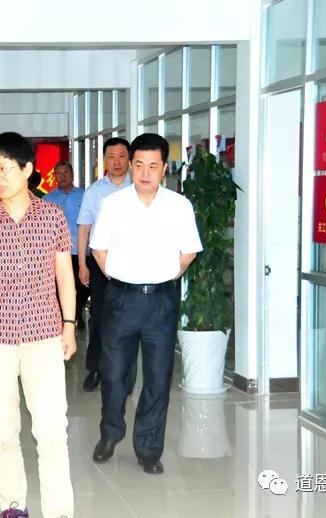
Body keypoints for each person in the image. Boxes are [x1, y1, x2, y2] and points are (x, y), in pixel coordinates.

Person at [0, 132, 76, 518]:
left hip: (44, 334)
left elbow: (64, 275)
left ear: (27, 170)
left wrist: (70, 325)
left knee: (52, 429)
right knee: (4, 428)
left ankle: (59, 510)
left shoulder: (52, 216)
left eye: (5, 168)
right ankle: (13, 504)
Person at [90, 133, 202, 475]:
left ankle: (149, 449)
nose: (145, 172)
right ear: (131, 166)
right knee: (114, 375)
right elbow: (99, 250)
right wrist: (121, 278)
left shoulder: (179, 206)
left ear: (164, 168)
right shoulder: (113, 204)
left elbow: (188, 253)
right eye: (138, 165)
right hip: (121, 299)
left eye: (153, 166)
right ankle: (110, 434)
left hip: (161, 302)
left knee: (157, 377)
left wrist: (162, 277)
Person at [76, 137, 132, 392]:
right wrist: (82, 264)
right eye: (111, 157)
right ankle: (96, 369)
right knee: (99, 317)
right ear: (104, 160)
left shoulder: (139, 187)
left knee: (129, 320)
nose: (117, 162)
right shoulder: (94, 191)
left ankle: (125, 375)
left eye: (122, 156)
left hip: (133, 263)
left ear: (129, 158)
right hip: (100, 262)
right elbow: (83, 229)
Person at [43, 160, 88, 329]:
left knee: (83, 286)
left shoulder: (84, 195)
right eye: (59, 174)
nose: (62, 177)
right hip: (57, 252)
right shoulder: (47, 199)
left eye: (65, 173)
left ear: (72, 175)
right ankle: (67, 317)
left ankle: (76, 313)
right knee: (59, 285)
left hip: (81, 250)